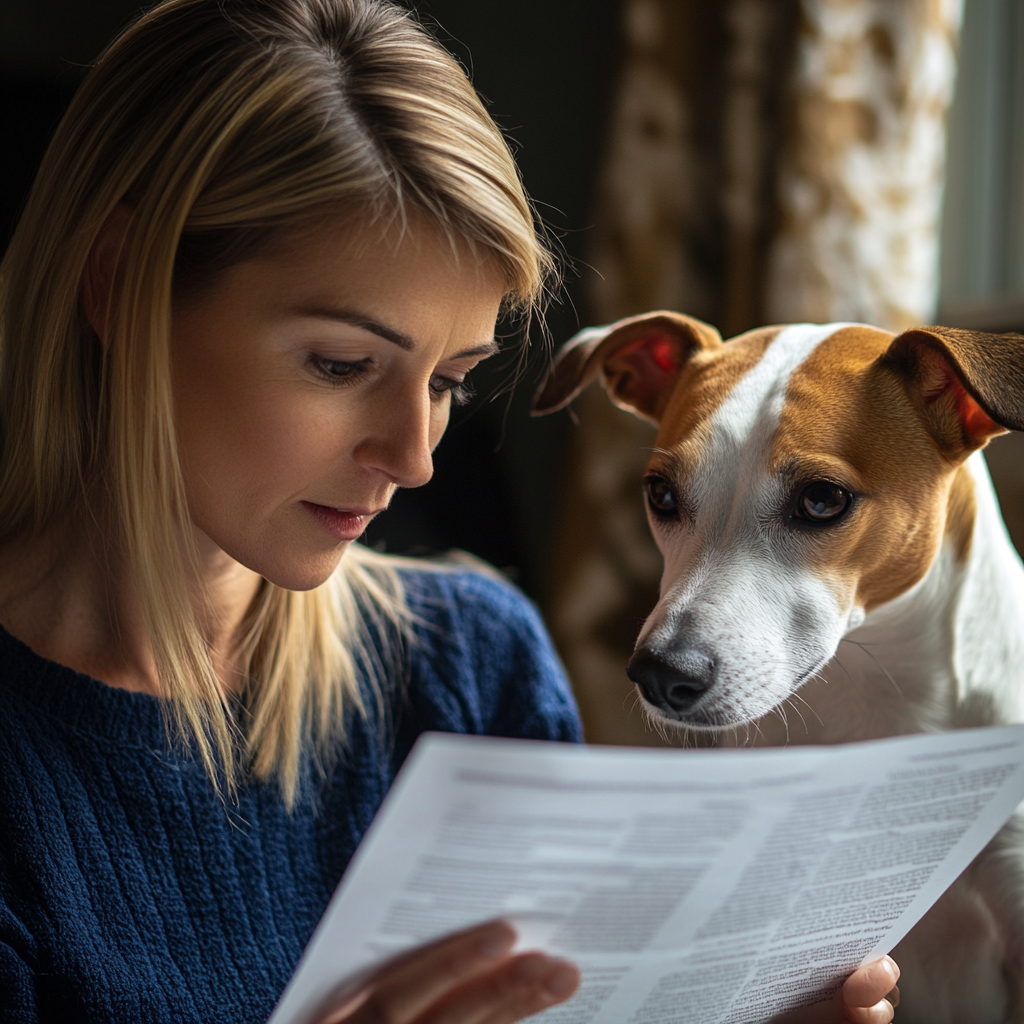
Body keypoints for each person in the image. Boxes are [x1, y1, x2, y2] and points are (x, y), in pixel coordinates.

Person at [0, 0, 900, 1021]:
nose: (415, 459)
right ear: (119, 284)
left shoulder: (473, 665)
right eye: (342, 365)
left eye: (449, 380)